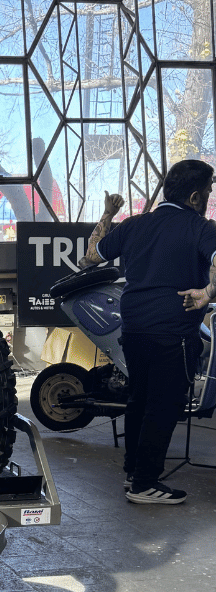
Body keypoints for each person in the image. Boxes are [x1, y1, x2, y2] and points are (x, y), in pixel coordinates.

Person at [78, 160, 216, 504]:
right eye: (209, 189)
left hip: (134, 329)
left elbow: (89, 257)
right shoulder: (201, 228)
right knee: (163, 405)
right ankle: (145, 484)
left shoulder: (134, 224)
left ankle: (133, 474)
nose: (210, 194)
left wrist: (108, 213)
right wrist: (207, 293)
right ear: (195, 196)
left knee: (139, 399)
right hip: (173, 332)